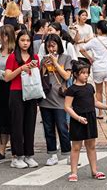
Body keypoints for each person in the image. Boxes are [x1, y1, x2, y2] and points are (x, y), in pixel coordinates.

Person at [64, 61, 107, 182]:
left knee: (91, 146)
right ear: (75, 74)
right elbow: (67, 106)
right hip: (78, 119)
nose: (86, 75)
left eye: (87, 73)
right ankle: (74, 172)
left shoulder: (90, 87)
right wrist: (77, 117)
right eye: (83, 73)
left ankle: (94, 171)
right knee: (76, 147)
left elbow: (94, 102)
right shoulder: (72, 89)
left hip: (90, 118)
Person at [4, 31, 40, 169]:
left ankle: (28, 155)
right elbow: (7, 77)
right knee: (17, 125)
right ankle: (17, 156)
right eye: (22, 40)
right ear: (18, 41)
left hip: (31, 92)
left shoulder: (34, 57)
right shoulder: (13, 57)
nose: (25, 43)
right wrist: (21, 68)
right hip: (16, 92)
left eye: (28, 40)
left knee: (30, 125)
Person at [39, 34, 73, 166]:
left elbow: (66, 75)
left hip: (60, 98)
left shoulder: (66, 58)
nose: (51, 48)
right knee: (48, 128)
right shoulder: (43, 60)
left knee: (62, 127)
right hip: (45, 98)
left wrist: (55, 63)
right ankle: (52, 154)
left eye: (53, 45)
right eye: (48, 46)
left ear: (59, 45)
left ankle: (68, 153)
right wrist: (43, 67)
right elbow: (41, 78)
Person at [80, 21, 107, 123]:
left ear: (99, 30)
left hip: (98, 69)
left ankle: (101, 113)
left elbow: (82, 49)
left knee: (99, 91)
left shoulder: (95, 40)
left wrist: (90, 58)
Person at [0, 25, 15, 162]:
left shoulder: (15, 53)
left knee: (12, 117)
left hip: (11, 87)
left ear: (6, 36)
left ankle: (15, 146)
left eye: (0, 35)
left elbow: (10, 74)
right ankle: (1, 150)